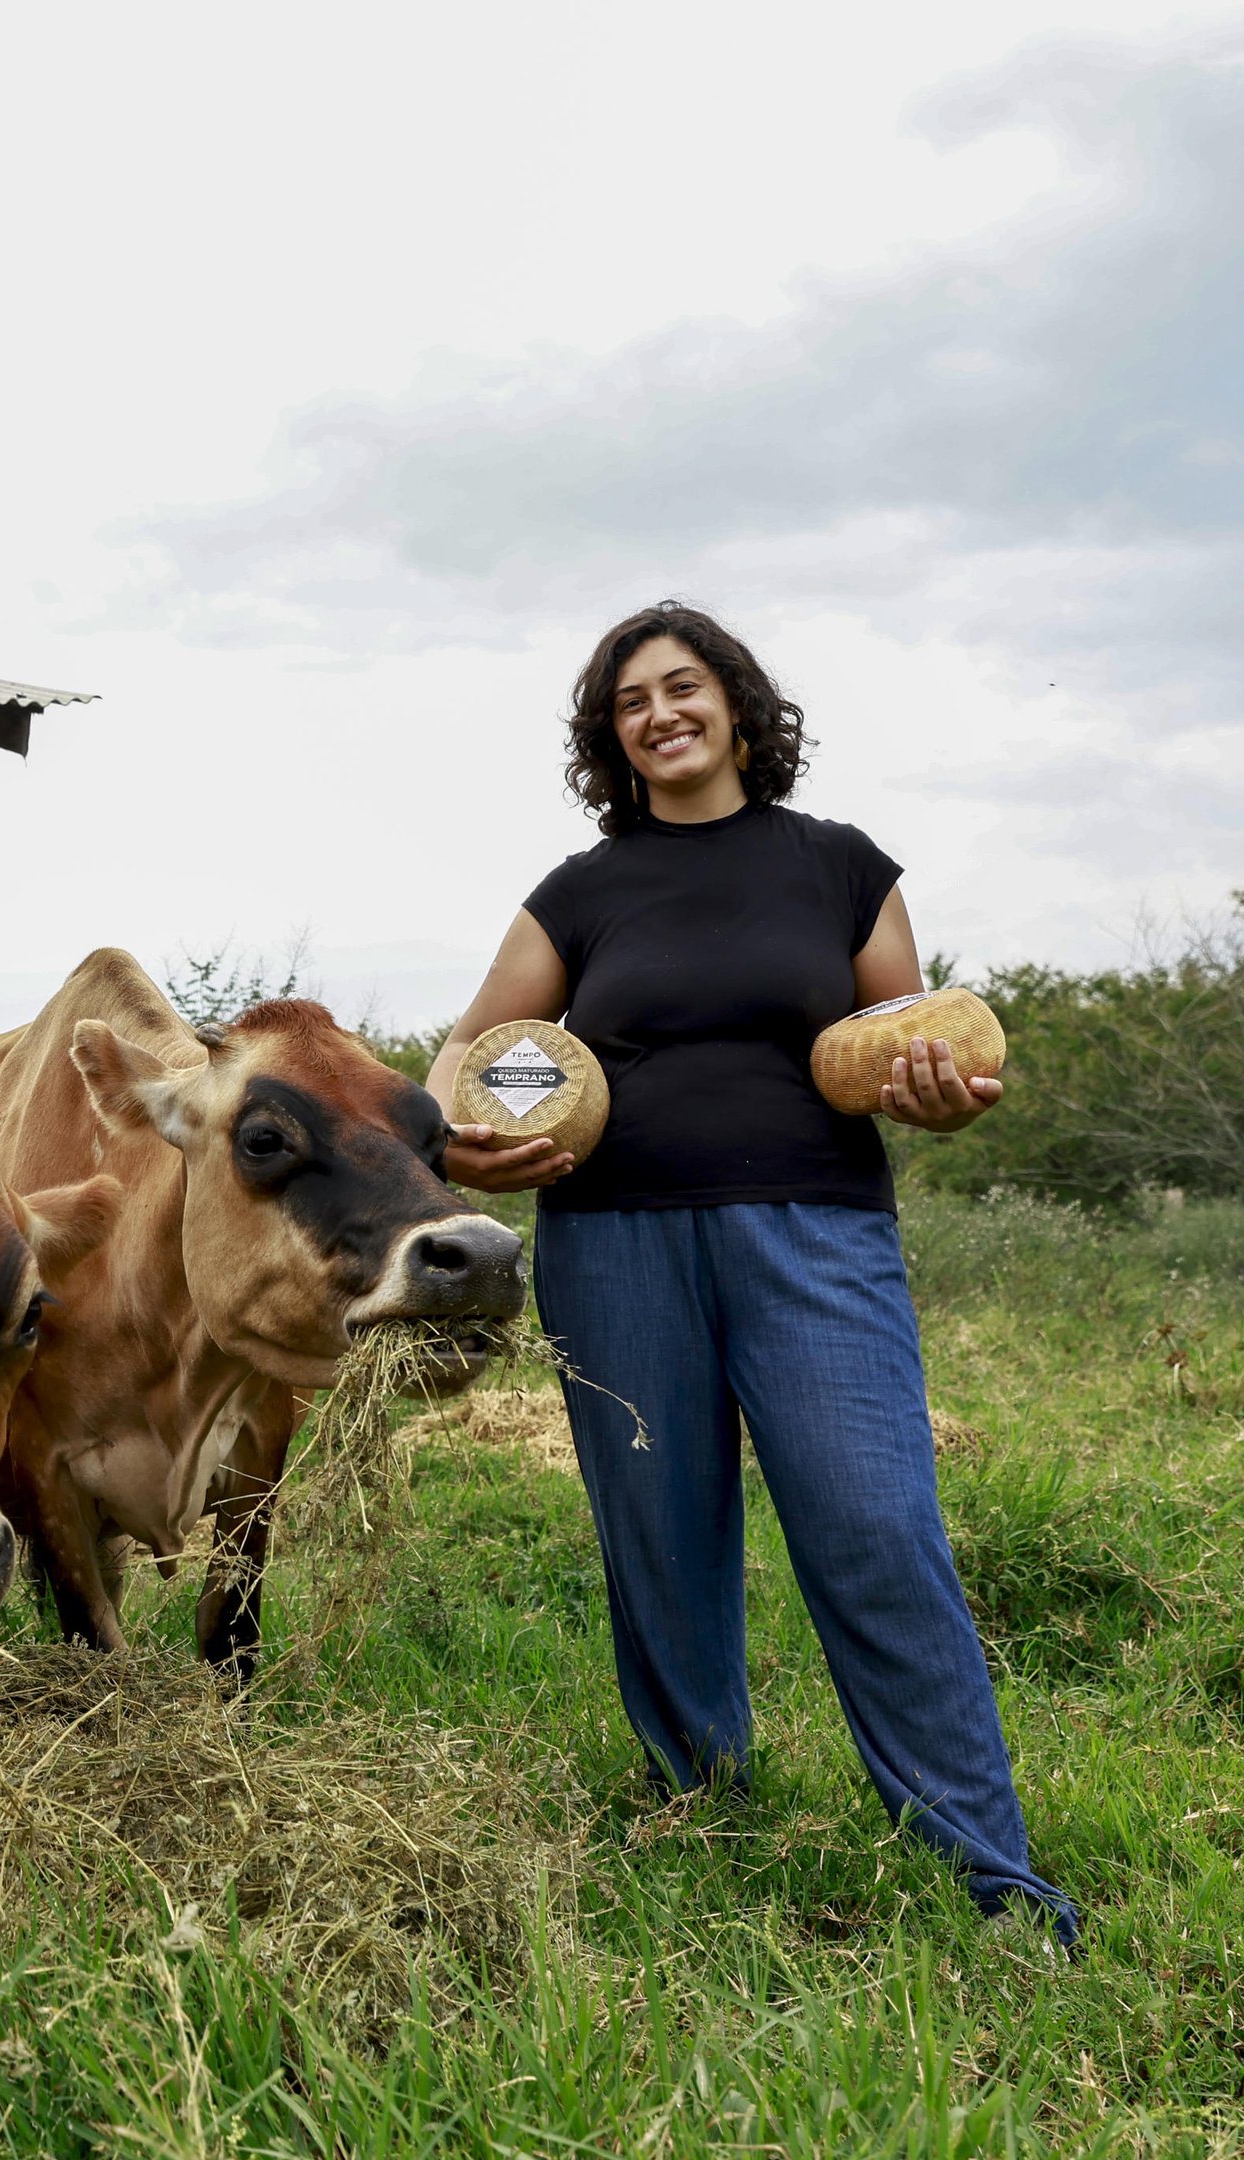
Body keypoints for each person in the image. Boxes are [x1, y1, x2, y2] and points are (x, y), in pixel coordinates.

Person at [426, 602, 1078, 1943]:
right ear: (607, 738)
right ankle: (692, 1803)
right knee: (659, 1539)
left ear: (733, 702)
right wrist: (461, 1140)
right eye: (628, 702)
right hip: (609, 1242)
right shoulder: (580, 889)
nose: (658, 712)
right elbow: (470, 1049)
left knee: (873, 1528)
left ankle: (986, 1870)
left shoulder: (838, 868)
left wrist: (942, 1098)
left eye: (681, 686)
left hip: (813, 1232)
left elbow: (910, 1048)